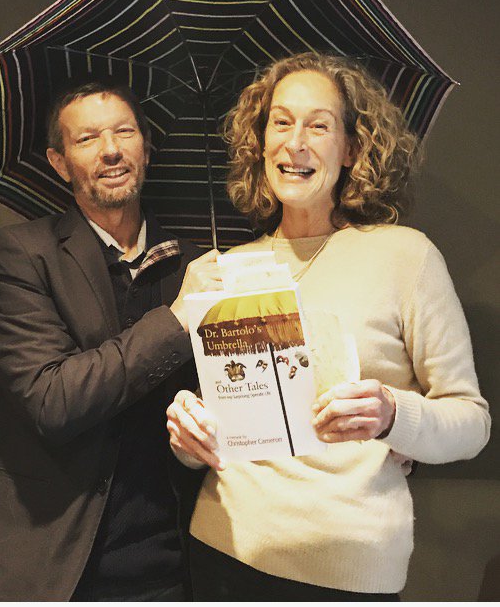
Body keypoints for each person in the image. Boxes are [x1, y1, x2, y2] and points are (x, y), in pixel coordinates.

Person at [166, 52, 491, 600]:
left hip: (346, 567)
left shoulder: (405, 256)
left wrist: (392, 414)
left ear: (352, 150)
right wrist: (187, 434)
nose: (295, 143)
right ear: (260, 142)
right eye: (281, 122)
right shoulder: (221, 271)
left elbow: (471, 422)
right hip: (220, 548)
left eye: (318, 126)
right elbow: (218, 426)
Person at [0, 81, 220, 601]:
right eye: (88, 138)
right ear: (60, 162)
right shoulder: (19, 254)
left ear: (145, 149)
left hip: (168, 562)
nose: (111, 150)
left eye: (124, 132)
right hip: (40, 559)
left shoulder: (197, 268)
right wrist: (176, 319)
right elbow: (54, 399)